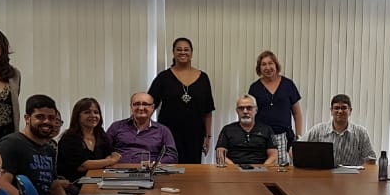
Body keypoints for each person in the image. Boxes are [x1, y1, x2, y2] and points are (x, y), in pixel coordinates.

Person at [0, 95, 72, 195]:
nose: (47, 122)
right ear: (27, 118)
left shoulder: (49, 149)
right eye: (40, 117)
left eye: (51, 118)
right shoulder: (11, 144)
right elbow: (2, 184)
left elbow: (54, 185)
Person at [148, 37, 215, 165]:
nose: (183, 52)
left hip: (195, 135)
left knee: (192, 172)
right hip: (168, 135)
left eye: (186, 49)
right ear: (173, 52)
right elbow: (149, 106)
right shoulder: (163, 77)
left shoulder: (203, 78)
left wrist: (208, 137)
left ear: (191, 53)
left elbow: (208, 111)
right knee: (169, 169)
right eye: (179, 49)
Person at [248, 50, 302, 147]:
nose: (267, 67)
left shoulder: (288, 85)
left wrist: (299, 137)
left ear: (276, 65)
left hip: (285, 137)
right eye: (264, 64)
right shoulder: (254, 88)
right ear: (259, 68)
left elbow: (297, 113)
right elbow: (250, 114)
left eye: (270, 63)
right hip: (261, 138)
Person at [106, 92, 179, 165]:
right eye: (136, 104)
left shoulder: (163, 130)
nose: (141, 108)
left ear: (152, 107)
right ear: (131, 107)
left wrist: (156, 164)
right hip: (119, 169)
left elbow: (172, 155)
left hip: (150, 170)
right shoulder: (116, 126)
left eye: (145, 104)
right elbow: (103, 149)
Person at [302, 94, 376, 166]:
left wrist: (362, 173)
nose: (340, 111)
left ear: (350, 111)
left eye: (344, 108)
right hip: (325, 173)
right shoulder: (318, 130)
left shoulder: (361, 133)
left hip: (352, 174)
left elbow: (371, 159)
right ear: (331, 111)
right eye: (336, 108)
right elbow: (297, 148)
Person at [57, 97, 121, 179]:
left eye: (96, 112)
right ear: (78, 116)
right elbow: (83, 166)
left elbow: (111, 154)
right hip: (74, 183)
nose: (93, 115)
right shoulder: (69, 138)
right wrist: (111, 161)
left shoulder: (101, 134)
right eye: (87, 112)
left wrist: (108, 160)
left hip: (99, 179)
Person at [216, 95, 277, 166]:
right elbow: (220, 155)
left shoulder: (267, 130)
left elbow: (273, 156)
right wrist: (235, 169)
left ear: (256, 110)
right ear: (237, 111)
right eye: (241, 108)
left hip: (261, 169)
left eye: (249, 108)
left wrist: (262, 169)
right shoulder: (227, 130)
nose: (245, 111)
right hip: (233, 169)